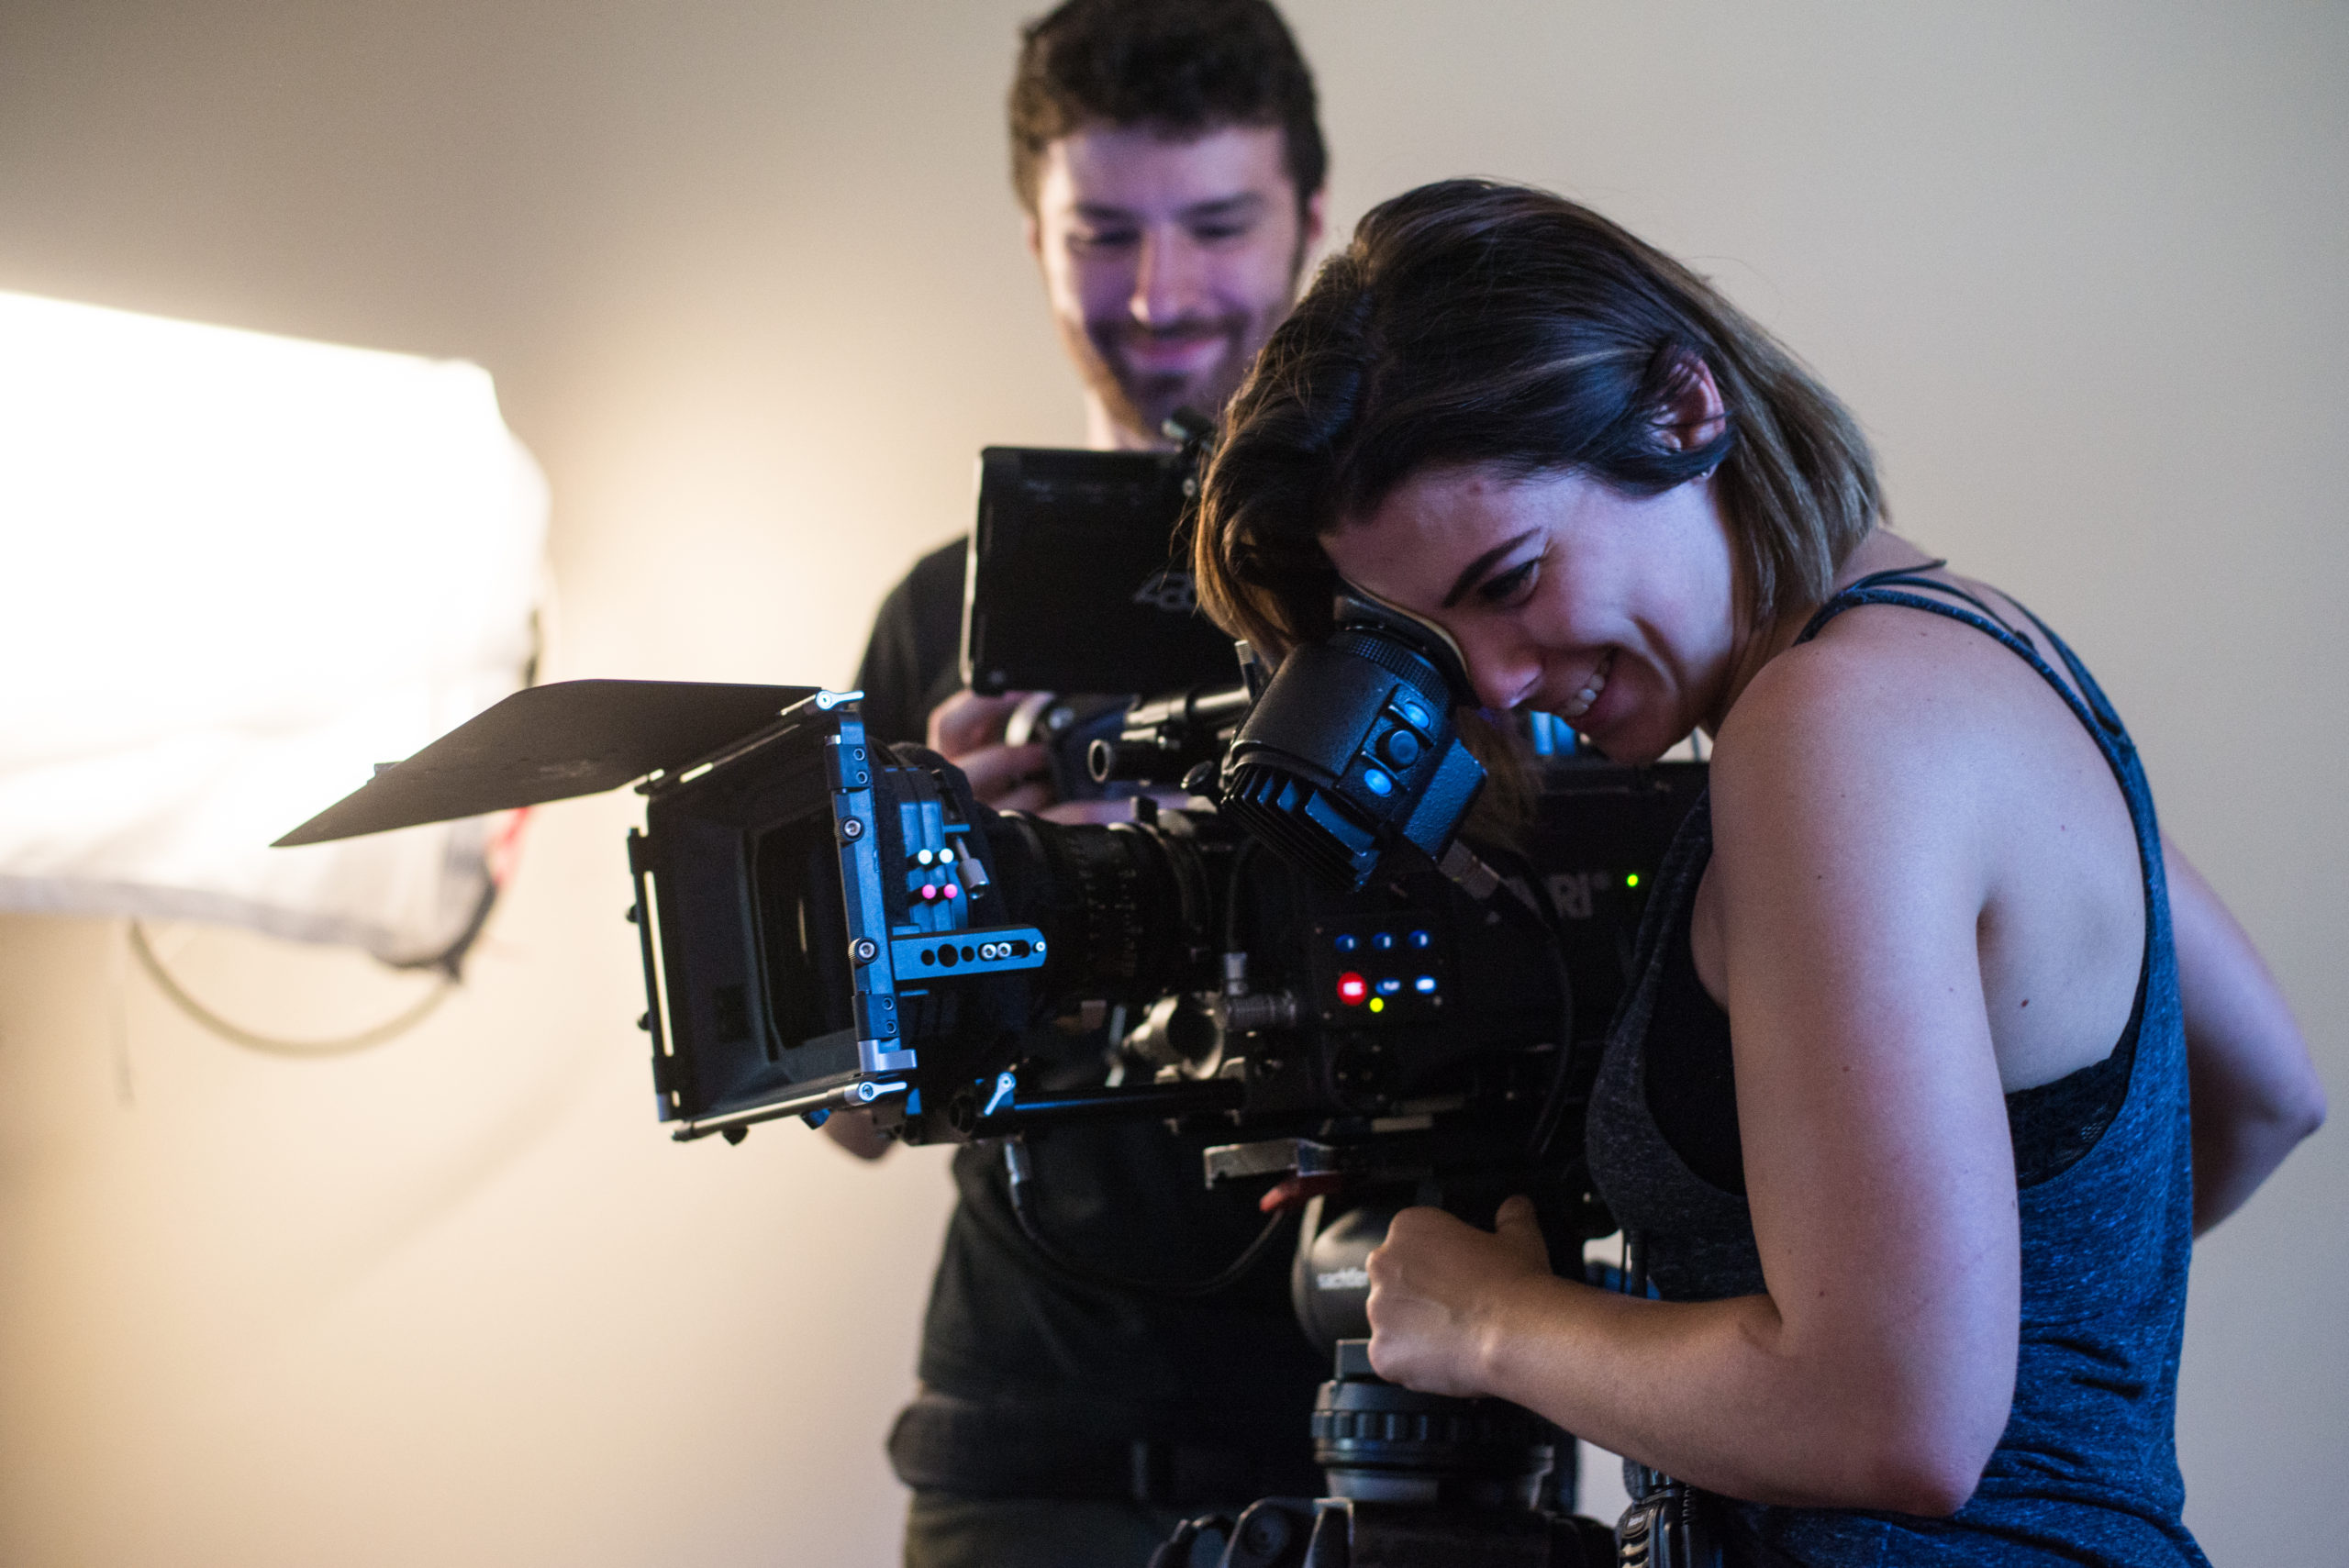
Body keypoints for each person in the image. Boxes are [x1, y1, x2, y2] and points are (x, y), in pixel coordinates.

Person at [1192, 179, 2325, 1563]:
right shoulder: (1981, 644)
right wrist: (1999, 1321)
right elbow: (2268, 1091)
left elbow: (1890, 1421)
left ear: (1683, 410)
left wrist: (1490, 1321)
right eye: (1435, 640)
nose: (1495, 682)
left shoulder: (1823, 729)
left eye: (1512, 578)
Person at [838, 4, 1332, 1564]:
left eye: (1218, 226)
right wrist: (951, 895)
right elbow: (854, 1115)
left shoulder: (1428, 586)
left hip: (1387, 1429)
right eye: (1103, 233)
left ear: (1312, 220)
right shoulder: (941, 614)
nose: (1160, 292)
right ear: (1034, 237)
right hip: (1024, 1451)